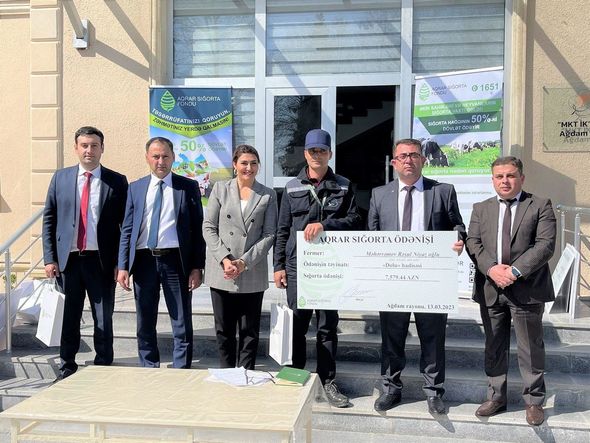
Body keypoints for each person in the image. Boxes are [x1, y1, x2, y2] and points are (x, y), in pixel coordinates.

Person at [367, 138, 465, 414]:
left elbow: (458, 225)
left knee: (432, 337)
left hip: (430, 280)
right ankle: (390, 389)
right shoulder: (379, 194)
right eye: (403, 156)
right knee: (392, 337)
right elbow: (371, 235)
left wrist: (459, 240)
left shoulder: (443, 191)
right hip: (393, 279)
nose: (408, 160)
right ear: (394, 162)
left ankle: (433, 392)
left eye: (413, 155)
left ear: (423, 159)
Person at [273, 128, 362, 408]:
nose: (317, 155)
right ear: (305, 154)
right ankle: (295, 377)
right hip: (298, 266)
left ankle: (327, 381)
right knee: (297, 326)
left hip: (330, 267)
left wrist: (326, 224)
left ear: (330, 154)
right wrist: (278, 266)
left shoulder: (344, 185)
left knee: (327, 327)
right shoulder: (292, 187)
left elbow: (355, 221)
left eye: (322, 151)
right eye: (313, 151)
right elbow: (282, 229)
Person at [465, 156, 556, 426]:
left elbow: (545, 245)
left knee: (530, 347)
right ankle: (496, 397)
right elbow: (473, 243)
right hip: (491, 287)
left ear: (521, 178)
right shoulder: (481, 208)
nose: (505, 181)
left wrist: (514, 272)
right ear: (492, 180)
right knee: (494, 346)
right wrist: (492, 270)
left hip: (527, 288)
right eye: (499, 176)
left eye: (511, 175)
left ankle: (534, 401)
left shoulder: (540, 205)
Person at [42, 126, 128, 380]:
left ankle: (103, 365)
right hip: (68, 262)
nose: (89, 150)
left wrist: (121, 262)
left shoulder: (117, 181)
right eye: (84, 145)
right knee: (69, 317)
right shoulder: (61, 178)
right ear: (76, 148)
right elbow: (49, 219)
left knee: (103, 318)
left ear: (102, 148)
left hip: (101, 262)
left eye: (94, 145)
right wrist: (50, 258)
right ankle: (67, 365)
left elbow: (125, 226)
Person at [117, 137, 206, 369]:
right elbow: (127, 229)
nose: (161, 161)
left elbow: (198, 230)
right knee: (145, 319)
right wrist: (123, 265)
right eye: (155, 156)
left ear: (173, 157)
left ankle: (181, 368)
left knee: (181, 320)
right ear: (147, 158)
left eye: (165, 156)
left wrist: (197, 266)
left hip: (176, 261)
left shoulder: (187, 187)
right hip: (144, 261)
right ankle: (149, 365)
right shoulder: (135, 188)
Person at [203, 145, 277, 370]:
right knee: (223, 329)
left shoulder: (268, 194)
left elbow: (270, 234)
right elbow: (208, 227)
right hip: (222, 269)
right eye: (244, 163)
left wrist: (244, 262)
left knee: (249, 330)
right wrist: (225, 259)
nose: (249, 167)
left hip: (251, 269)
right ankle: (227, 372)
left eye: (254, 163)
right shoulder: (220, 189)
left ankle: (245, 373)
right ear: (235, 165)